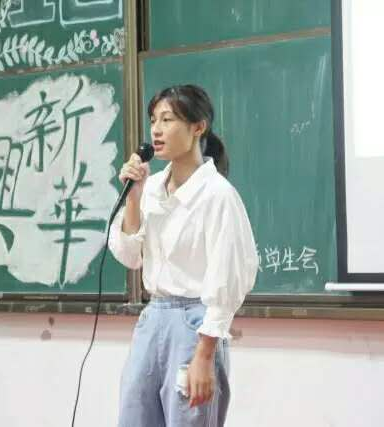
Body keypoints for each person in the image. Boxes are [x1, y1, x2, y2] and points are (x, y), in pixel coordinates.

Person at [108, 84, 258, 427]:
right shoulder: (151, 188)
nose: (156, 130)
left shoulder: (217, 194)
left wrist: (204, 356)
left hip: (196, 325)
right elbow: (130, 256)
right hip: (153, 320)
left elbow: (230, 278)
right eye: (153, 120)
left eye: (168, 119)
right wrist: (134, 196)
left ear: (198, 126)